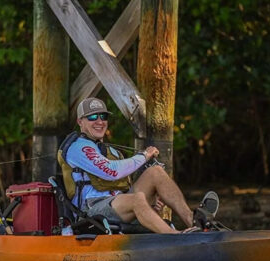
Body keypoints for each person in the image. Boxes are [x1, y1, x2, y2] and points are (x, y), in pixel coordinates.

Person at [57, 97, 219, 234]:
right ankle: (175, 236)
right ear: (80, 122)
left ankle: (193, 221)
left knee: (155, 172)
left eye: (103, 116)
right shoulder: (78, 147)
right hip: (92, 210)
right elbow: (111, 172)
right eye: (92, 117)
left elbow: (123, 187)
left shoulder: (111, 150)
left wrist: (151, 207)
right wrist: (144, 155)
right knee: (137, 199)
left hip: (118, 204)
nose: (99, 121)